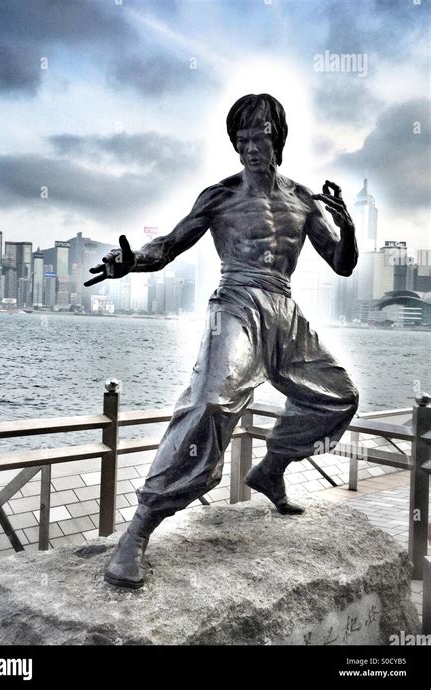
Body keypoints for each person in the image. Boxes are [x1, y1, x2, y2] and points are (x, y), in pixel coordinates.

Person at [85, 93, 359, 589]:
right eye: (243, 140)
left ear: (279, 139)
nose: (252, 148)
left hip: (284, 309)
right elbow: (167, 246)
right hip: (235, 304)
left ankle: (271, 469)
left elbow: (341, 264)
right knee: (210, 405)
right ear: (235, 145)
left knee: (339, 397)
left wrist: (349, 229)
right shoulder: (221, 196)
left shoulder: (301, 200)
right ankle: (139, 531)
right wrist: (130, 262)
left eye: (261, 137)